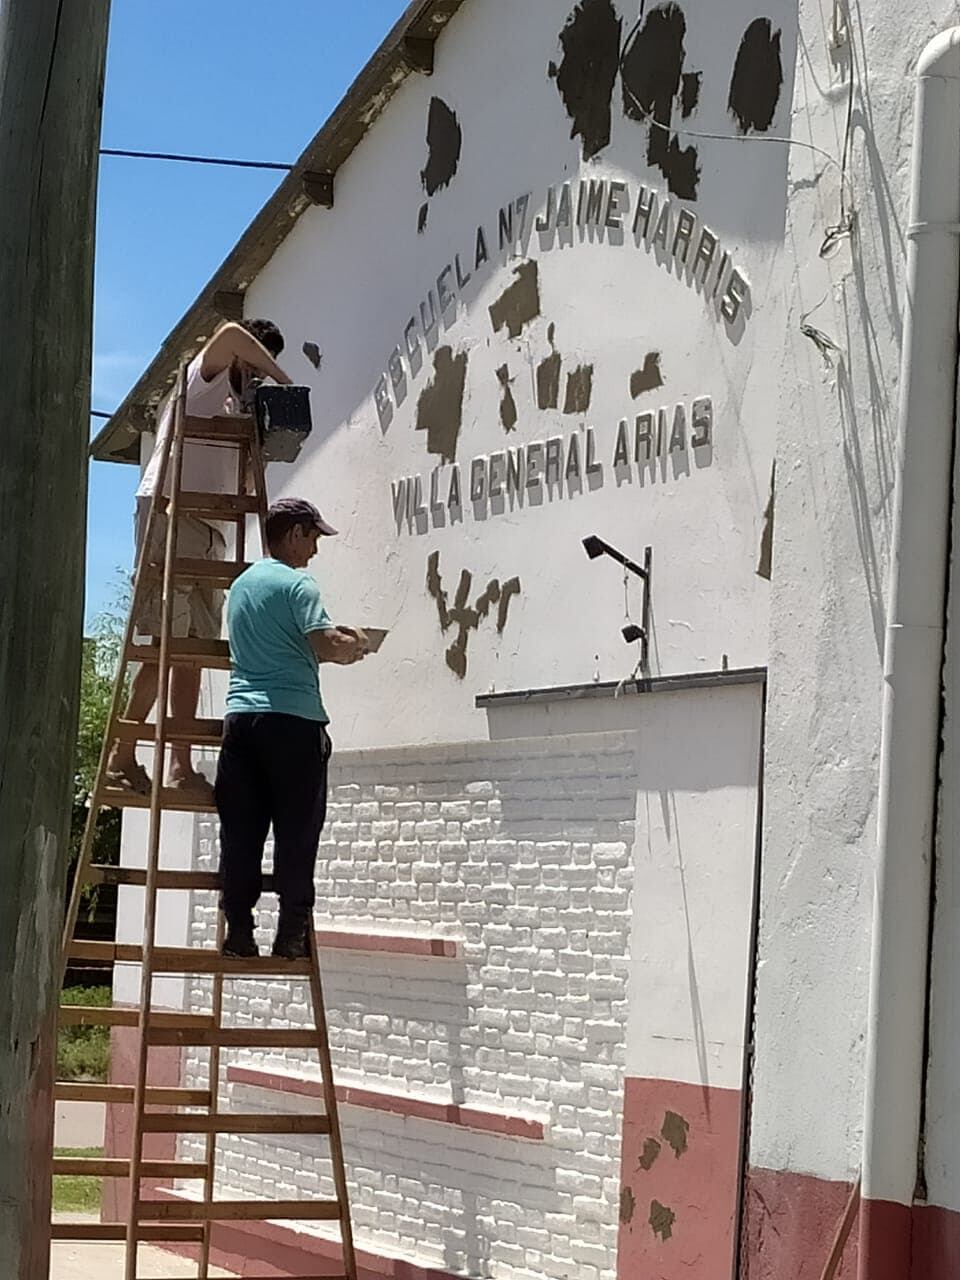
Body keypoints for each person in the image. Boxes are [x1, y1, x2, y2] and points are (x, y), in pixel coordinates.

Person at [106, 319, 292, 800]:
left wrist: (266, 450)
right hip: (170, 509)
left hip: (210, 526)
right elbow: (228, 331)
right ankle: (122, 755)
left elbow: (244, 487)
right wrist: (283, 376)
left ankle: (179, 766)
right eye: (254, 367)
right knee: (165, 644)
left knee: (193, 652)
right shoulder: (203, 378)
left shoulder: (241, 408)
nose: (257, 379)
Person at [214, 497, 367, 959]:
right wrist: (355, 644)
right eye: (314, 537)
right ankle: (291, 934)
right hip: (293, 721)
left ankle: (238, 932)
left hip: (241, 720)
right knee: (298, 831)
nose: (315, 549)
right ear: (295, 534)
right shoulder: (300, 585)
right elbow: (324, 644)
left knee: (240, 831)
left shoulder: (241, 586)